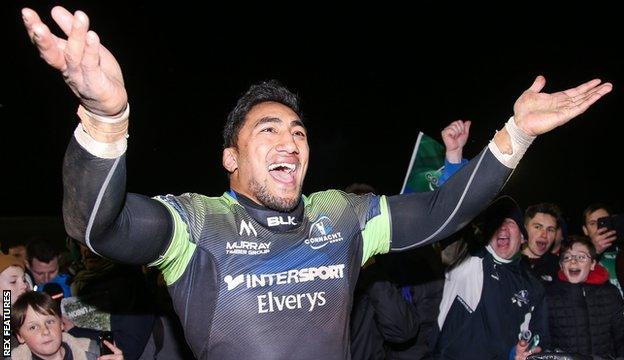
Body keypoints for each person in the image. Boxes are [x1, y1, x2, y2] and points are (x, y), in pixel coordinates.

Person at [21, 6, 612, 359]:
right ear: (230, 158)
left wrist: (515, 134)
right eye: (269, 129)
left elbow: (440, 211)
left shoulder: (340, 217)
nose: (291, 142)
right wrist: (105, 119)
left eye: (299, 133)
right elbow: (96, 227)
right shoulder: (196, 224)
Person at [433, 196, 548, 360]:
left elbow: (539, 337)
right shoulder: (468, 260)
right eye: (497, 222)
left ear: (523, 238)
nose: (502, 226)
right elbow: (451, 241)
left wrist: (524, 352)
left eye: (510, 222)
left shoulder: (533, 287)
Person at [546, 236, 624, 358]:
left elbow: (621, 335)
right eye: (567, 257)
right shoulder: (549, 295)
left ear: (593, 264)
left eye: (581, 257)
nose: (573, 261)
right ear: (561, 265)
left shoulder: (610, 293)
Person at [11, 291, 124, 360]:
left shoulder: (93, 353)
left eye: (50, 322)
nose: (45, 331)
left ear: (61, 324)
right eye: (33, 327)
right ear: (20, 336)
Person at [582, 203, 622, 296]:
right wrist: (594, 251)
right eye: (592, 223)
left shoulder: (621, 252)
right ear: (585, 230)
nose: (599, 227)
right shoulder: (575, 255)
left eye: (604, 221)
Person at [521, 203, 561, 284]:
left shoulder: (560, 267)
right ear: (524, 229)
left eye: (550, 230)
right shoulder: (508, 262)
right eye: (538, 227)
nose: (544, 235)